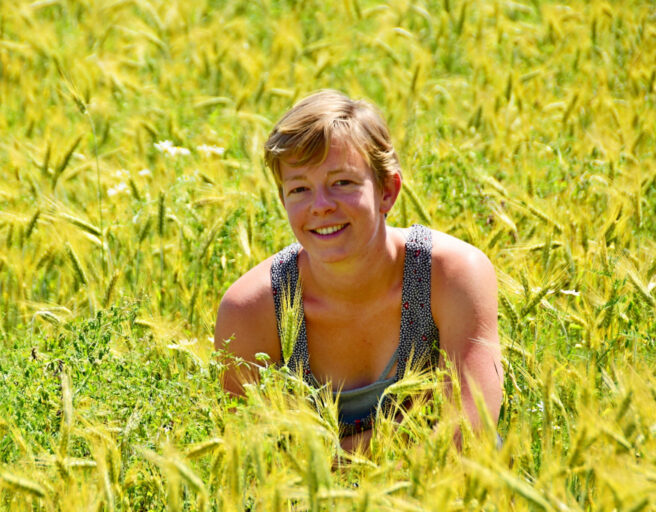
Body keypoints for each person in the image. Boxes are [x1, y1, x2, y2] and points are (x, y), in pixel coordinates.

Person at [214, 90, 502, 452]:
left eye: (342, 183)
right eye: (300, 188)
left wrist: (327, 461)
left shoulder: (450, 276)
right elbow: (248, 457)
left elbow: (470, 436)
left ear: (388, 191)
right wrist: (398, 438)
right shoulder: (252, 309)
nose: (320, 206)